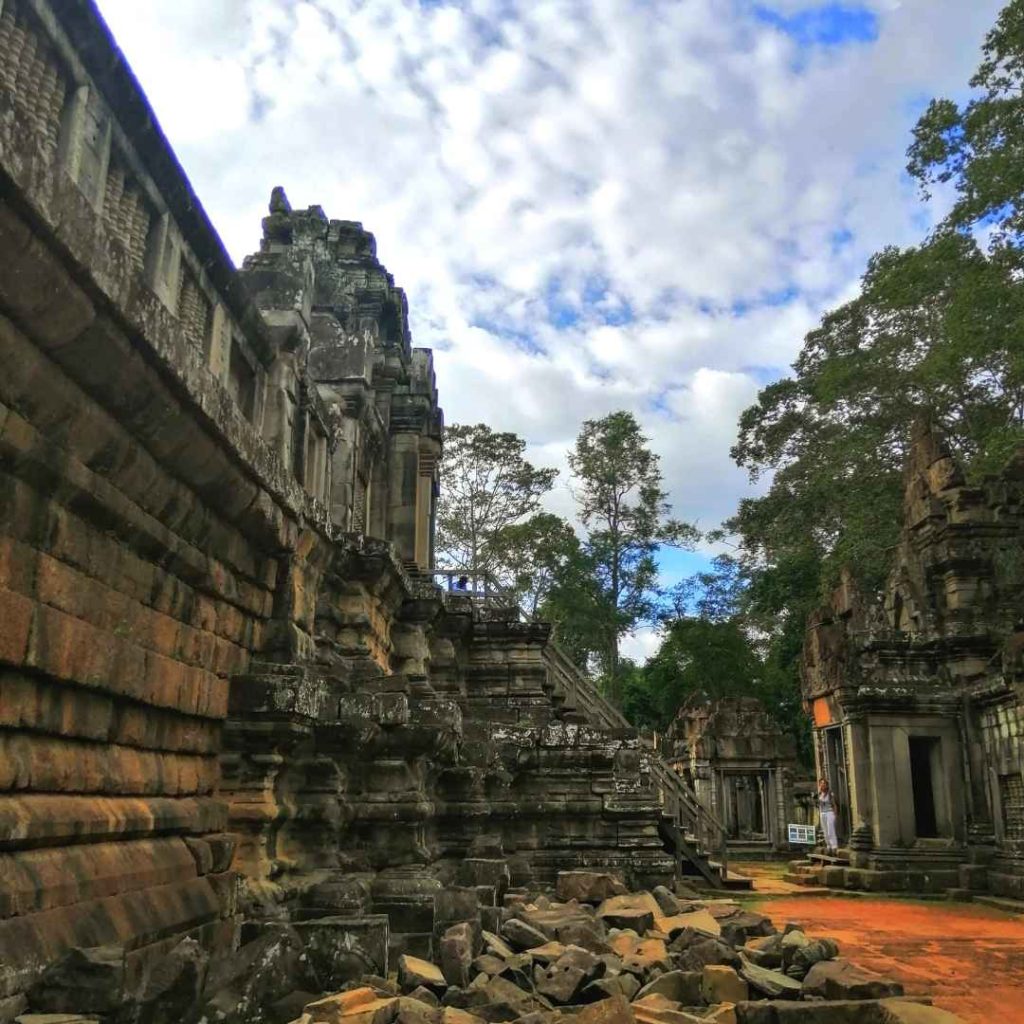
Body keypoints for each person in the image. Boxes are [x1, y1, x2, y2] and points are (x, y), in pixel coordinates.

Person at [818, 777, 840, 855]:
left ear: (827, 785)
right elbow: (819, 805)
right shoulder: (820, 794)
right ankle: (828, 846)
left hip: (830, 812)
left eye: (824, 784)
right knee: (825, 830)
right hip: (822, 813)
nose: (822, 785)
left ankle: (834, 846)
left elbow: (834, 804)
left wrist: (835, 813)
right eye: (821, 784)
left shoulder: (830, 793)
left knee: (831, 829)